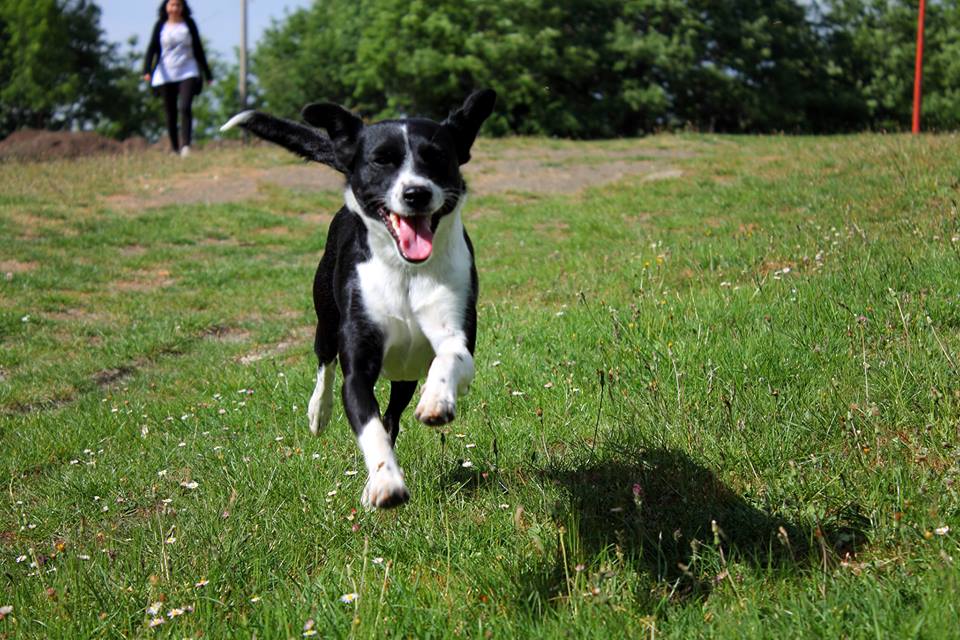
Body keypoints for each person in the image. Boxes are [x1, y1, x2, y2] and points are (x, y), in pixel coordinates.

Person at [142, 0, 213, 157]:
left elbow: (199, 48)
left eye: (178, 5)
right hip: (165, 72)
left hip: (188, 70)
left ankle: (186, 145)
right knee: (170, 112)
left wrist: (208, 73)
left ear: (182, 7)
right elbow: (152, 48)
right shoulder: (160, 25)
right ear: (166, 7)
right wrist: (147, 70)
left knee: (185, 107)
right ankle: (175, 148)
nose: (175, 8)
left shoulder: (189, 24)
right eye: (172, 5)